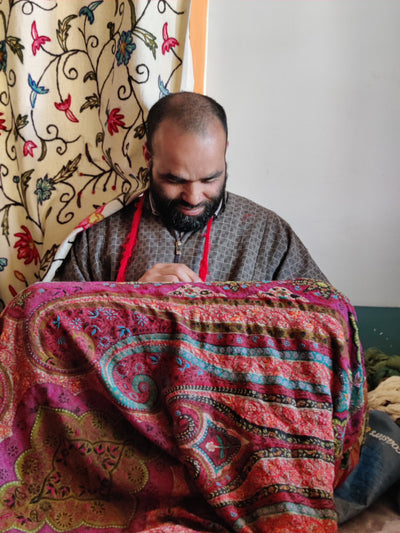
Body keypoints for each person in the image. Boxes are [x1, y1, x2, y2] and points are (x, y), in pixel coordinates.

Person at [54, 92, 327, 284]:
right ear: (148, 156)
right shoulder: (99, 236)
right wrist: (129, 300)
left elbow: (331, 319)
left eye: (209, 179)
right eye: (175, 180)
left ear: (224, 153)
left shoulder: (268, 234)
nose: (194, 198)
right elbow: (55, 328)